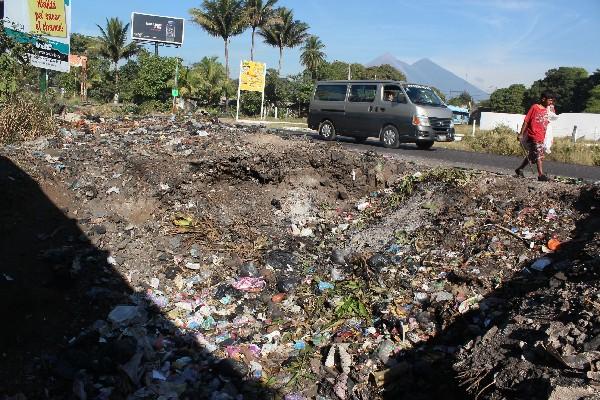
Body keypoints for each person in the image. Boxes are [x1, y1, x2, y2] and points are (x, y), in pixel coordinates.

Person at [515, 92, 556, 181]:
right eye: (549, 100)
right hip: (533, 134)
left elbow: (551, 120)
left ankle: (520, 169)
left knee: (532, 155)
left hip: (542, 135)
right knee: (539, 154)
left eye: (552, 101)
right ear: (543, 99)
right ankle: (541, 175)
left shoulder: (548, 110)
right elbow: (526, 121)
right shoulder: (535, 108)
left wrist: (552, 112)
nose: (551, 103)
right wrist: (521, 134)